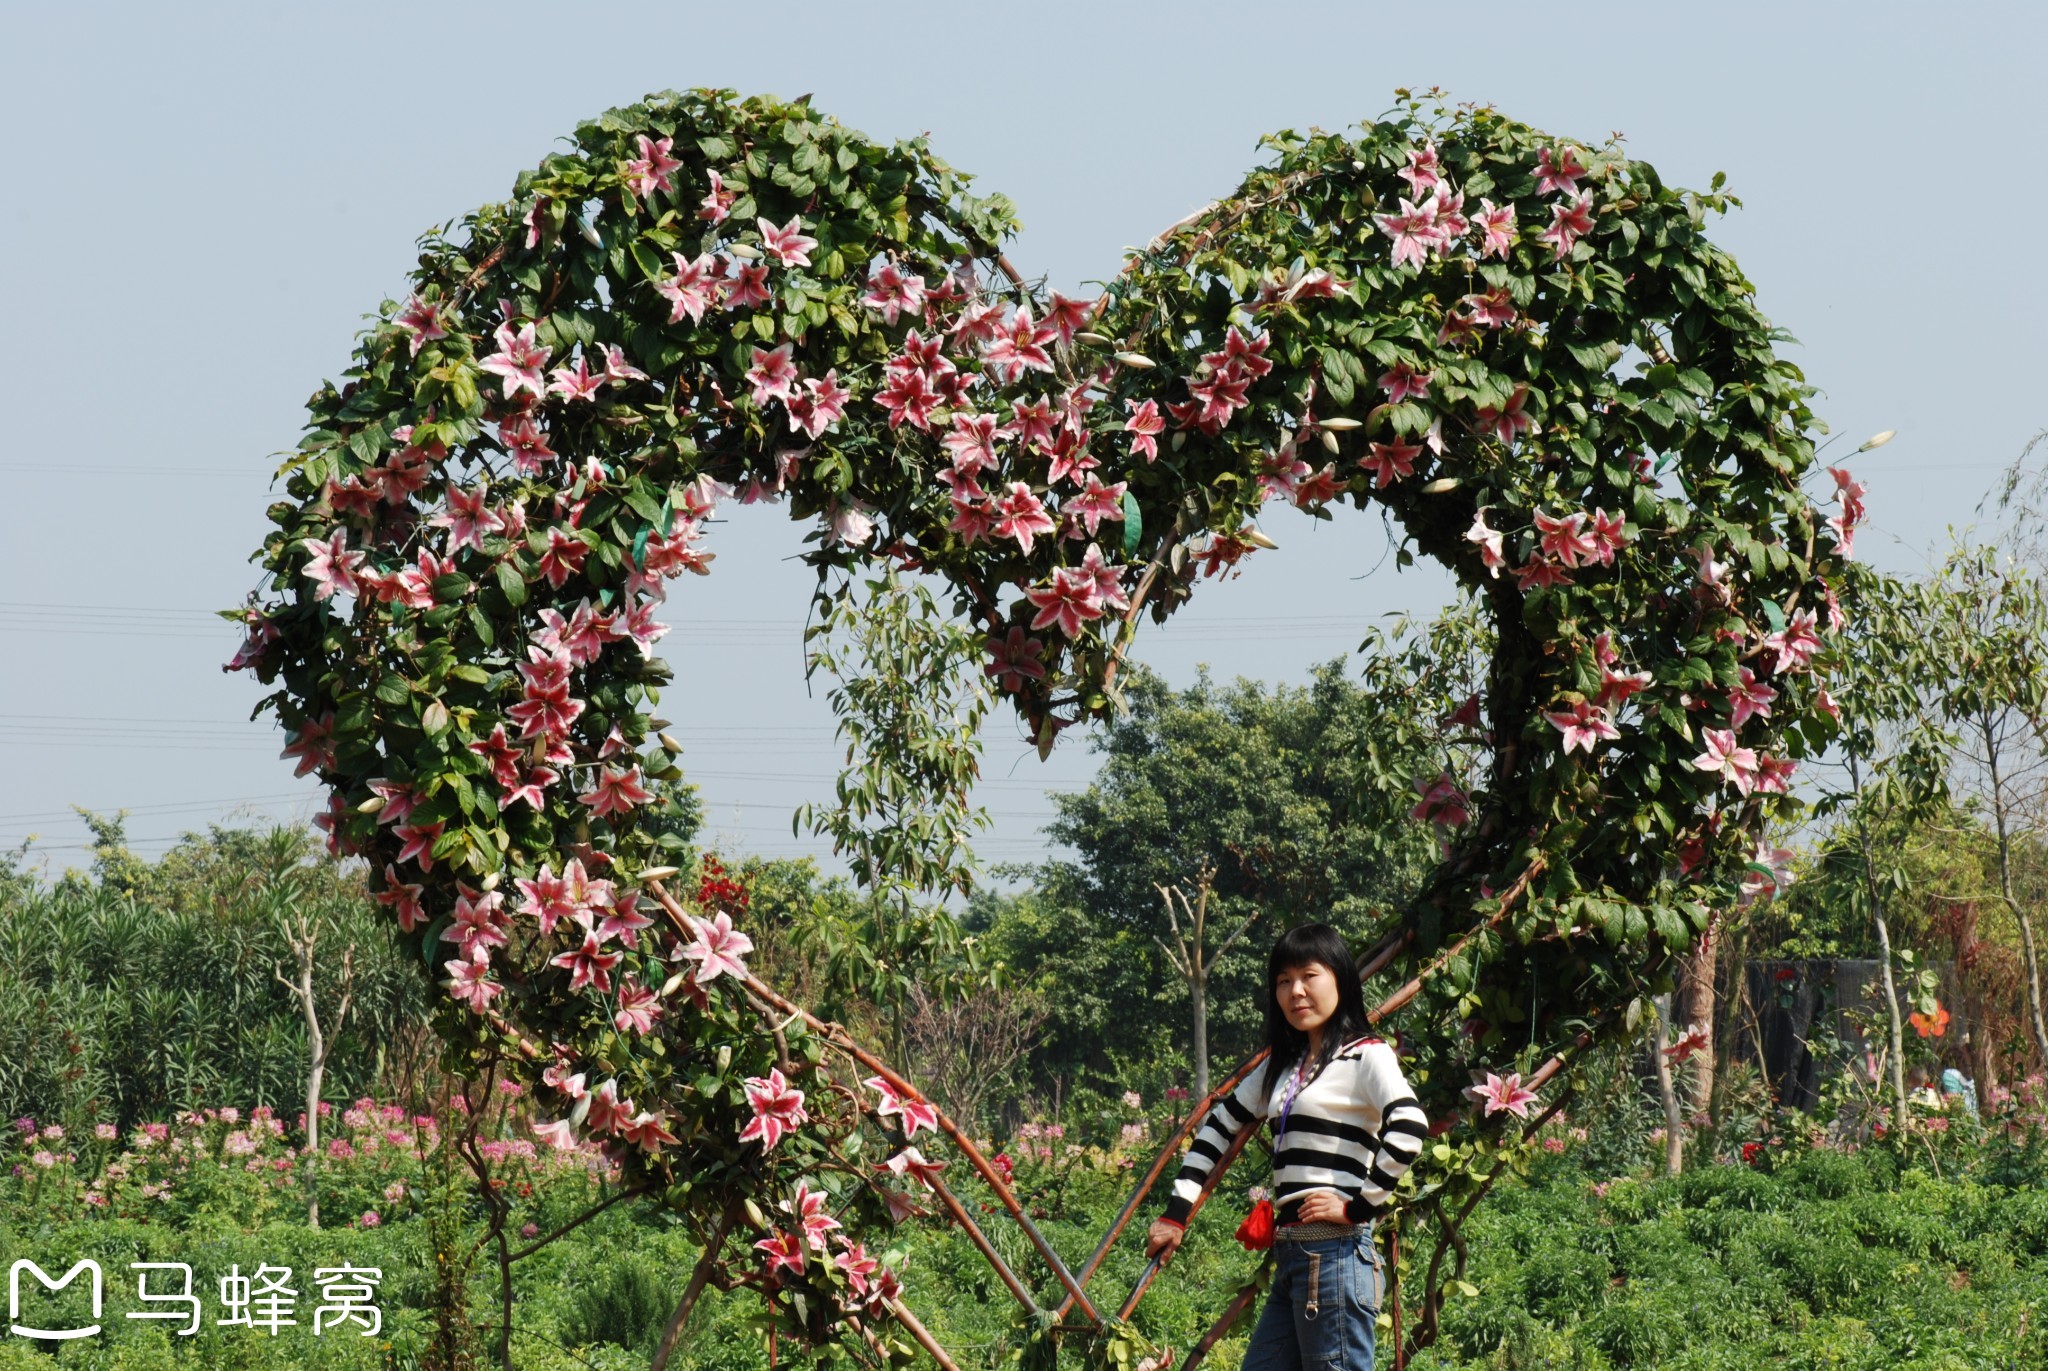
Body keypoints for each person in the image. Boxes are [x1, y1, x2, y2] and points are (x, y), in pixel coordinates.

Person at [1145, 923, 1427, 1370]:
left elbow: (1409, 1127)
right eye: (1283, 981)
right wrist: (1175, 1213)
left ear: (1340, 979)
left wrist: (1359, 1207)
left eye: (1309, 976)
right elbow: (1219, 1126)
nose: (1296, 991)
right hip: (1292, 1254)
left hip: (1336, 1252)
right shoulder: (1286, 1066)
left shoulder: (1366, 1055)